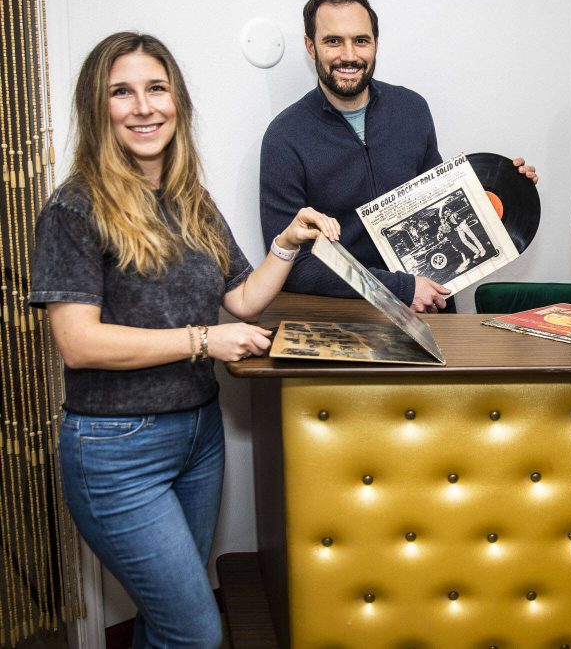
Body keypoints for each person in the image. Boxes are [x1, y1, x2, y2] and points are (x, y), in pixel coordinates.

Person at [29, 32, 340, 648]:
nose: (144, 107)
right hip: (117, 451)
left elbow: (243, 298)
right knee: (195, 631)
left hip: (198, 436)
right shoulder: (74, 208)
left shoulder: (189, 199)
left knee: (164, 620)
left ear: (178, 103)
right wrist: (204, 340)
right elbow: (78, 343)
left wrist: (288, 242)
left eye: (156, 89)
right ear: (99, 108)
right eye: (122, 92)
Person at [260, 0, 537, 313]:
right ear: (311, 46)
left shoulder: (412, 109)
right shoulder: (285, 137)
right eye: (333, 41)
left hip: (432, 306)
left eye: (361, 40)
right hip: (351, 319)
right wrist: (402, 288)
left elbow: (441, 206)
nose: (349, 55)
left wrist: (504, 188)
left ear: (376, 43)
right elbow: (294, 263)